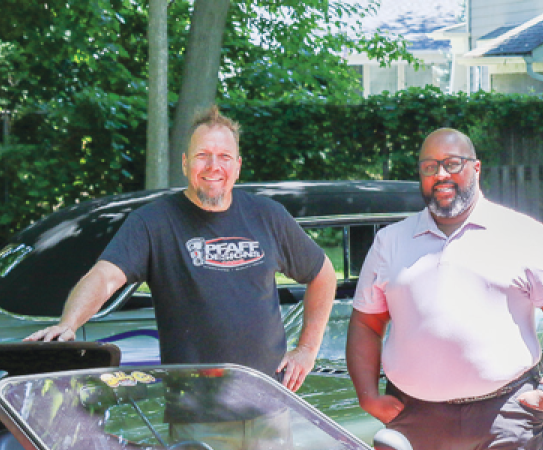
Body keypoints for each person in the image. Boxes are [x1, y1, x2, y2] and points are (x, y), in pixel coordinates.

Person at [26, 106, 338, 395]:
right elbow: (104, 276)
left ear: (238, 166)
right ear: (186, 163)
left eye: (224, 157)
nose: (214, 166)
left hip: (269, 401)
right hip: (193, 408)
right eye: (203, 155)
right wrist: (69, 323)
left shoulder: (268, 216)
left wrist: (307, 350)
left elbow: (322, 274)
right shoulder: (153, 222)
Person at [346, 127, 543, 450]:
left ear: (476, 168)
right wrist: (368, 395)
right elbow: (365, 323)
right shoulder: (391, 241)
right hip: (416, 421)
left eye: (452, 164)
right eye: (429, 166)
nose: (440, 175)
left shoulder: (521, 232)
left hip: (504, 418)